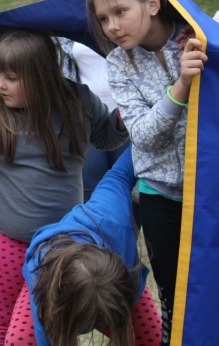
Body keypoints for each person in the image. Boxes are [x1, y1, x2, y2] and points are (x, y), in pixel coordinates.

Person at [0, 29, 129, 345]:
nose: (0, 85)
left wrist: (128, 110)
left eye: (11, 78)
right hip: (2, 240)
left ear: (41, 76)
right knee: (3, 326)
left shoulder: (77, 100)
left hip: (62, 242)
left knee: (57, 326)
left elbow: (107, 137)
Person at [87, 0, 208, 346]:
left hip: (210, 191)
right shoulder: (118, 63)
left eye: (120, 12)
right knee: (172, 294)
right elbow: (143, 136)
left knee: (213, 286)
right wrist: (181, 86)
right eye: (103, 18)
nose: (112, 26)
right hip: (159, 196)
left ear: (152, 3)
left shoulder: (198, 41)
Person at [24, 146, 162, 346]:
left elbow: (120, 174)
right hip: (51, 289)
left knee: (152, 338)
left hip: (117, 290)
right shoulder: (41, 275)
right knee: (18, 340)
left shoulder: (112, 216)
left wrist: (147, 139)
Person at [60, 0, 131, 204]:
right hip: (87, 120)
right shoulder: (73, 22)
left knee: (126, 192)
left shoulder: (134, 25)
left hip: (128, 118)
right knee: (89, 189)